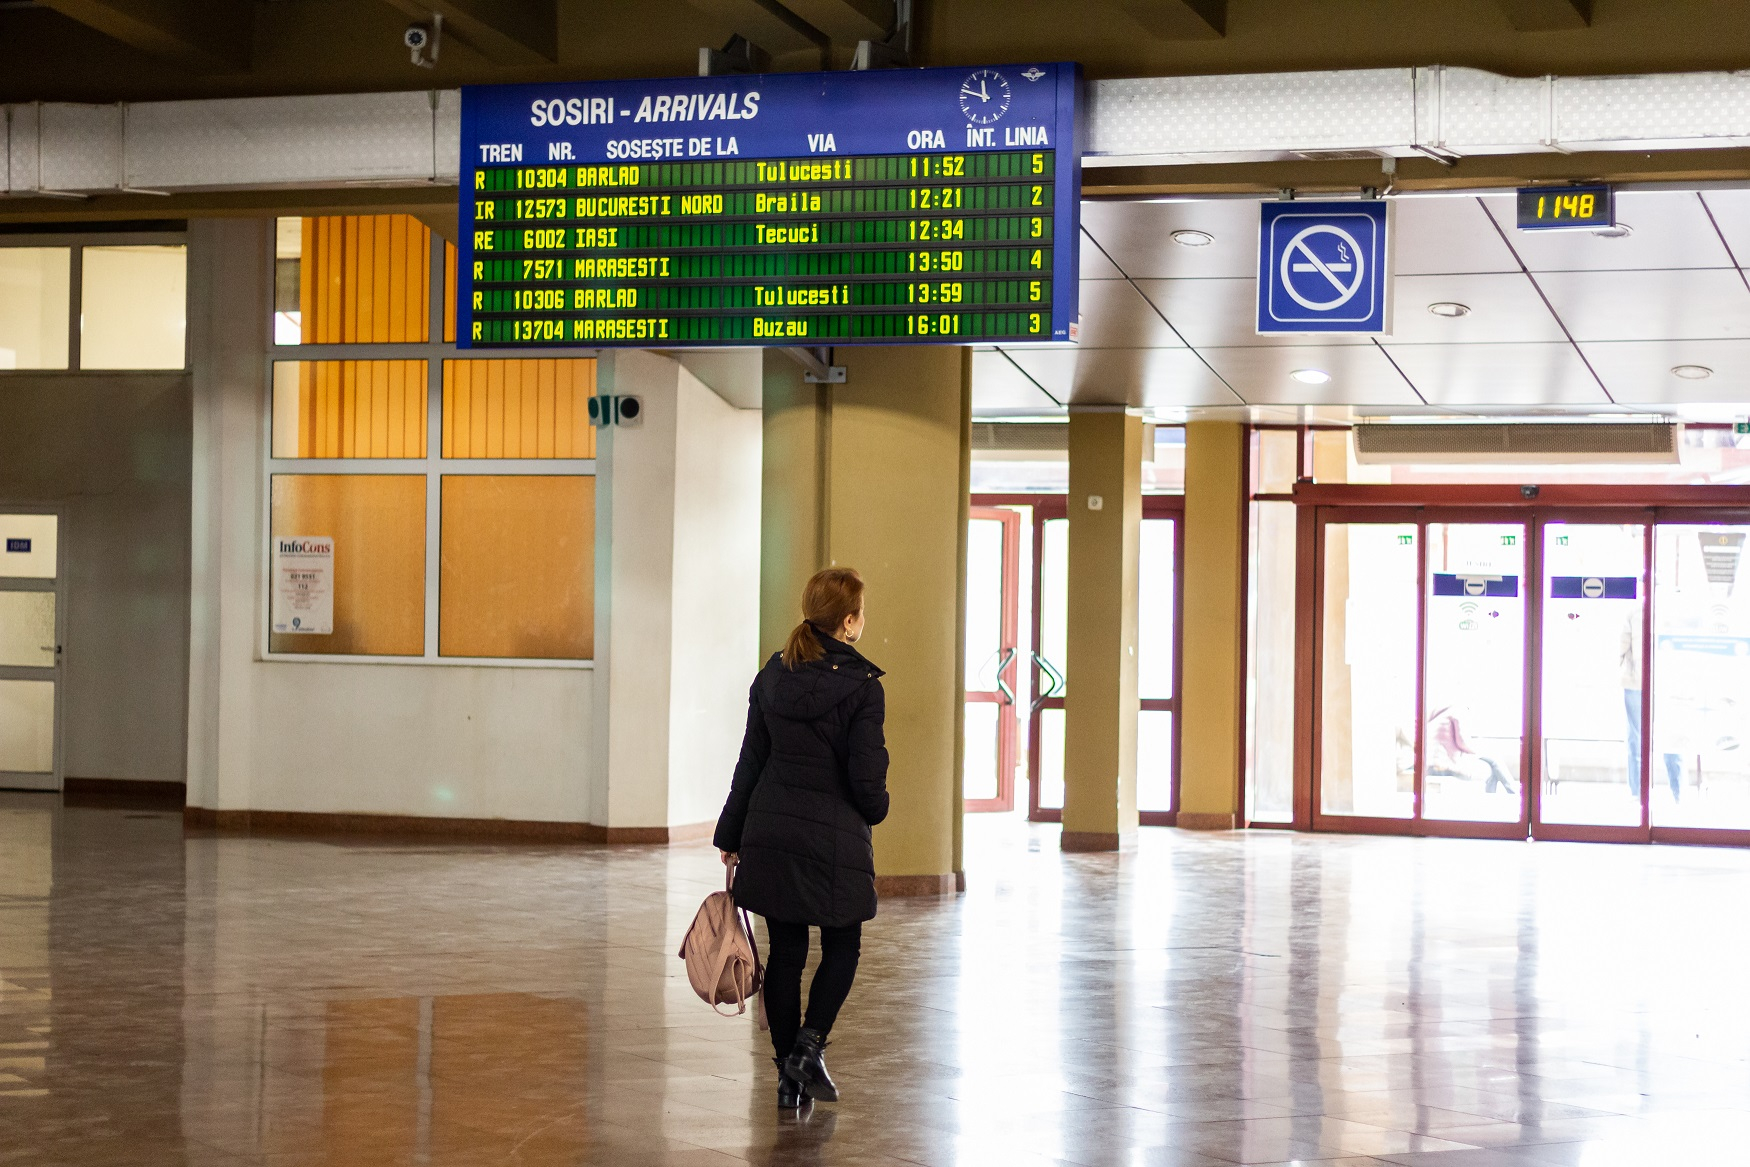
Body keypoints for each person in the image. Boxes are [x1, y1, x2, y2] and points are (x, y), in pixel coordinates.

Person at [713, 567, 889, 1110]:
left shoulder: (772, 674)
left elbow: (751, 760)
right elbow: (867, 785)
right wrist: (876, 805)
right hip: (833, 839)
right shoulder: (861, 687)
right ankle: (807, 1050)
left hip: (771, 829)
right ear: (849, 622)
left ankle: (788, 1073)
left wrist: (731, 832)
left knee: (786, 952)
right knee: (844, 942)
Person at [1425, 704, 1517, 795]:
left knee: (1492, 763)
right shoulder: (1457, 712)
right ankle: (1513, 794)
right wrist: (1480, 751)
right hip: (1448, 767)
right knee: (1492, 766)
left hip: (1430, 768)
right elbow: (1462, 742)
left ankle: (1511, 793)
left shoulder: (1437, 719)